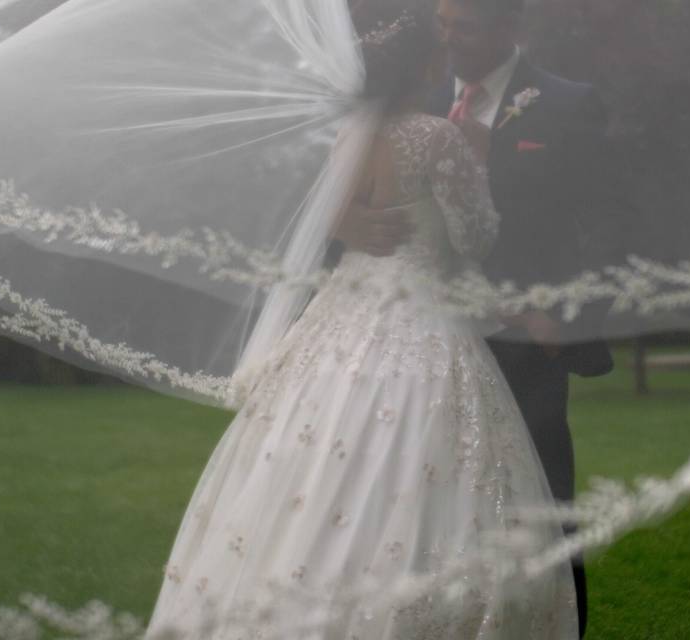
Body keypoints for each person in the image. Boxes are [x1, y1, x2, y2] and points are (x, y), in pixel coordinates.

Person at [145, 3, 577, 638]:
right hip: (425, 318)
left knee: (309, 458)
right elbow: (475, 237)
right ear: (425, 66)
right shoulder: (438, 137)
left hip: (340, 316)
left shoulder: (350, 135)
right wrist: (477, 160)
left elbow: (316, 215)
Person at [335, 1, 615, 636]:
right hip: (407, 337)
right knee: (409, 496)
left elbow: (602, 224)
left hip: (524, 338)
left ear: (509, 28)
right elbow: (339, 188)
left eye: (466, 25)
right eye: (443, 24)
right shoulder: (408, 95)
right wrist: (344, 220)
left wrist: (564, 319)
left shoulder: (569, 104)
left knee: (538, 503)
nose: (451, 37)